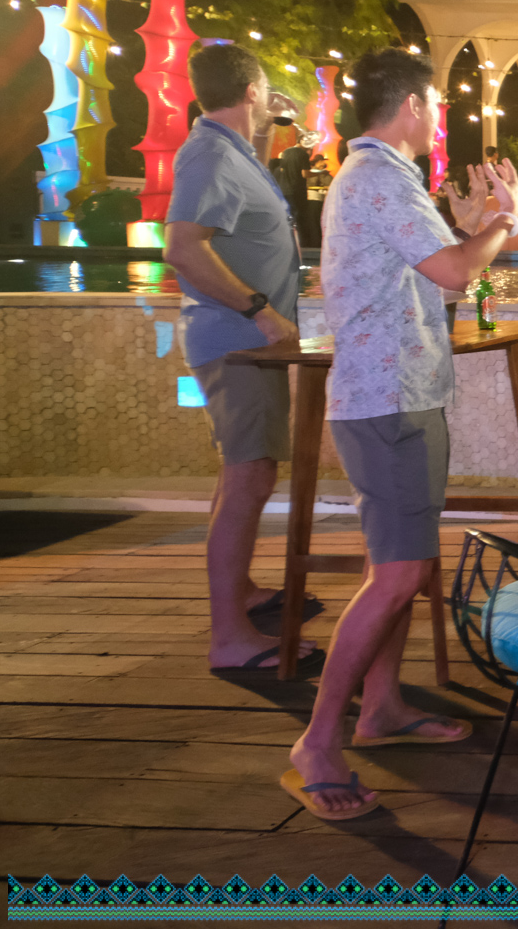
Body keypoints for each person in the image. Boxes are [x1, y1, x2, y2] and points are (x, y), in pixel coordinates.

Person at [285, 48, 518, 822]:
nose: (439, 118)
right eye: (436, 104)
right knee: (398, 574)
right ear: (414, 105)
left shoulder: (372, 175)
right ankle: (318, 740)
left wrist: (474, 233)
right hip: (388, 400)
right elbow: (457, 273)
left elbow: (436, 271)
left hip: (390, 393)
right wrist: (505, 224)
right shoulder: (382, 177)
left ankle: (382, 705)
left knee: (396, 563)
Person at [164, 45, 312, 675]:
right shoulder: (212, 154)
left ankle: (242, 594)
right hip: (237, 340)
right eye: (266, 89)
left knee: (245, 473)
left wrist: (271, 128)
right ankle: (229, 636)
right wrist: (260, 310)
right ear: (251, 90)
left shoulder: (233, 149)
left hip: (247, 342)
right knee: (249, 476)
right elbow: (182, 248)